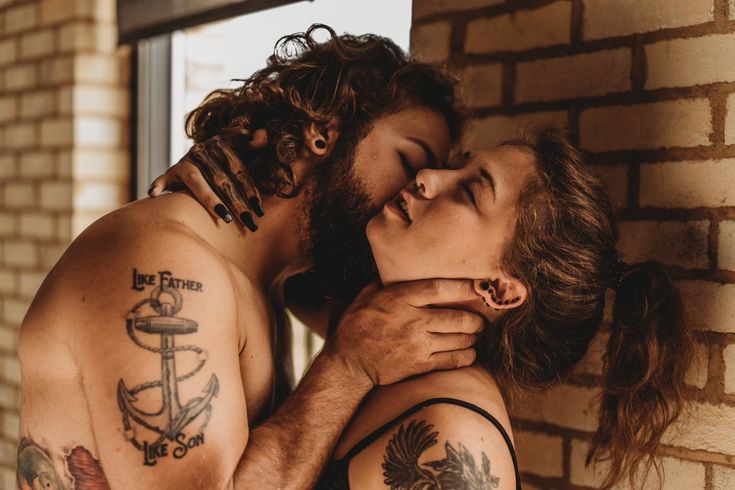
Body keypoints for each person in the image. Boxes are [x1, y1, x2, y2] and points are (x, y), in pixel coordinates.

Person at [16, 26, 485, 490]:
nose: (415, 191)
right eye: (409, 161)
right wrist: (347, 367)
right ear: (323, 134)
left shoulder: (279, 283)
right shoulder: (168, 265)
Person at [160, 127, 694, 490]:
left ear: (498, 290)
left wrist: (346, 366)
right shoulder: (373, 329)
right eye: (455, 167)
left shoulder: (455, 435)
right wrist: (212, 189)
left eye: (468, 192)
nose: (428, 178)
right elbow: (279, 273)